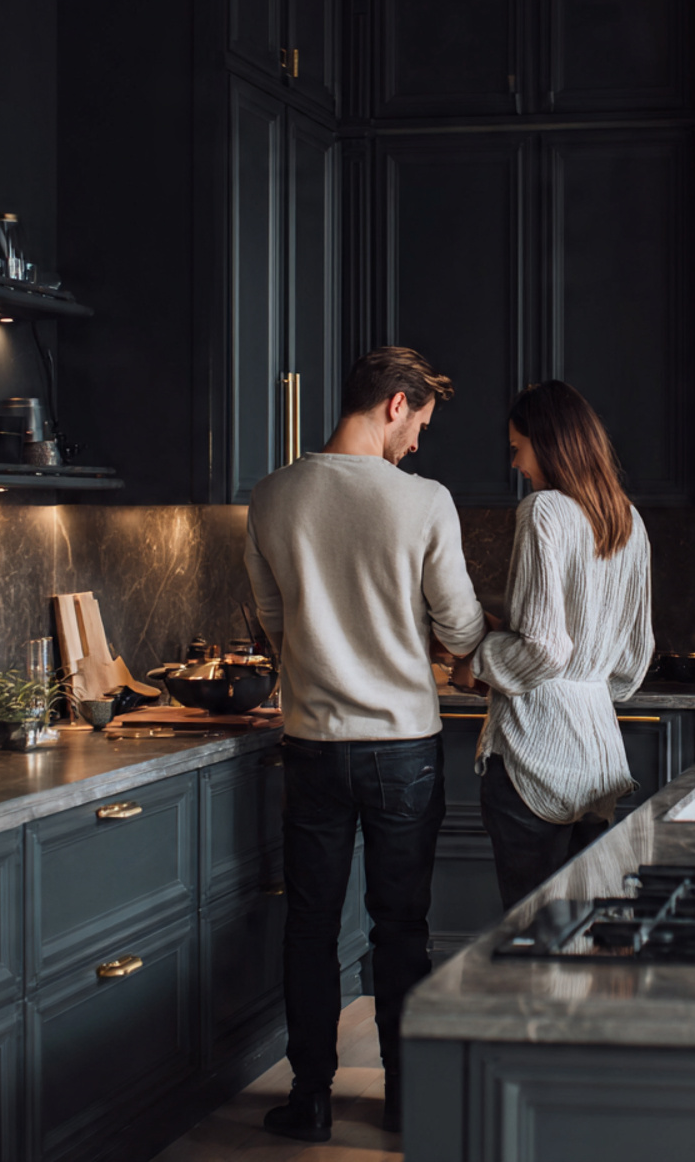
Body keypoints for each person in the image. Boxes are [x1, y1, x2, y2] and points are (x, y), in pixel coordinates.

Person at [244, 346, 486, 1142]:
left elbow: (274, 624)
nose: (418, 443)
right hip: (401, 751)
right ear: (394, 404)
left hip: (312, 744)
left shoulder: (274, 495)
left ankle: (309, 1097)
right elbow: (457, 628)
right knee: (400, 928)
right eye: (419, 423)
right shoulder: (424, 503)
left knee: (311, 927)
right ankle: (406, 1100)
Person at [452, 380, 654, 910]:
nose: (515, 462)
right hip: (598, 755)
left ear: (548, 442)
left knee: (531, 934)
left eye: (517, 447)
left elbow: (543, 649)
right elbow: (633, 664)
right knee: (589, 927)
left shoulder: (543, 510)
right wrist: (580, 684)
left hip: (533, 752)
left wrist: (478, 660)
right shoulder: (629, 520)